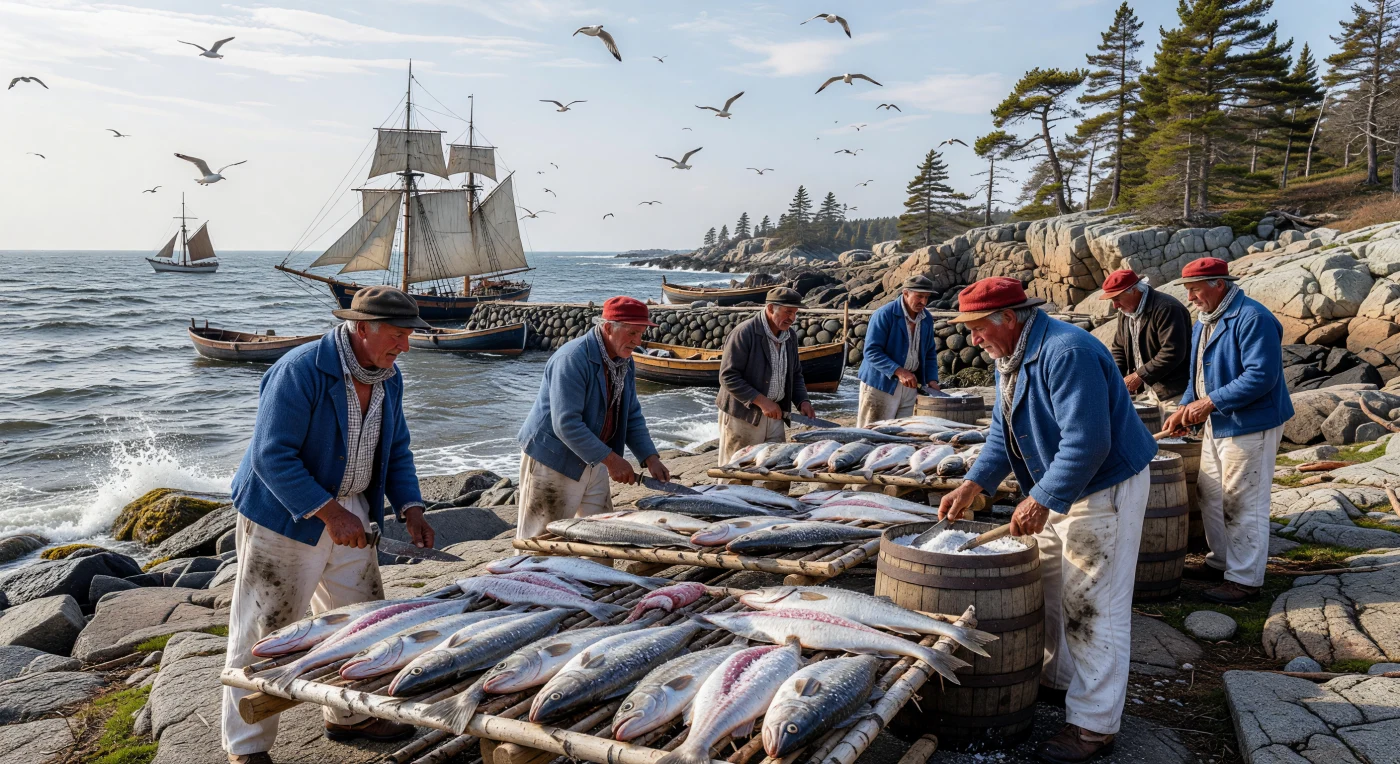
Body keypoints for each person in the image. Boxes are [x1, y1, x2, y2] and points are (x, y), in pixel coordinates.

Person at [938, 277, 1156, 764]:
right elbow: (1002, 431)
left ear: (1009, 319)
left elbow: (1088, 442)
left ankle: (1095, 726)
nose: (972, 340)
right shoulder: (1010, 357)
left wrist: (1041, 498)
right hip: (1065, 484)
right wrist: (975, 483)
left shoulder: (1065, 352)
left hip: (1104, 487)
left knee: (1093, 606)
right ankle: (1060, 684)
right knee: (1054, 590)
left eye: (976, 329)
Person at [222, 286, 437, 764]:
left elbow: (396, 448)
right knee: (265, 628)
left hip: (351, 508)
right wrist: (328, 512)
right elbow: (270, 455)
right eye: (398, 335)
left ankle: (349, 715)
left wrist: (411, 507)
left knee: (360, 619)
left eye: (408, 336)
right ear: (362, 328)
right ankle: (246, 746)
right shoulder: (300, 370)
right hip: (284, 513)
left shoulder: (388, 377)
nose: (405, 346)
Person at [1163, 258, 1292, 605]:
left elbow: (1260, 377)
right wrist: (1186, 406)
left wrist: (1208, 403)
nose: (1190, 297)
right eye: (1187, 290)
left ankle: (1245, 580)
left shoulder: (1253, 317)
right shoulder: (1205, 321)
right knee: (1211, 493)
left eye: (1194, 289)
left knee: (1243, 501)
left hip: (1252, 423)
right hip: (1220, 421)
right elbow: (1197, 375)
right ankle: (1221, 561)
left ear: (1219, 284)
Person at [516, 296, 671, 539]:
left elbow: (630, 414)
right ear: (608, 327)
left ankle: (597, 578)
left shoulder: (625, 362)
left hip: (594, 455)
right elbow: (566, 424)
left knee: (602, 533)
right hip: (554, 458)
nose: (637, 341)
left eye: (641, 334)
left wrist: (650, 458)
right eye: (632, 333)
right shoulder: (572, 359)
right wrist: (612, 460)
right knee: (543, 539)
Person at [715, 287, 816, 489]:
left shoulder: (790, 336)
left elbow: (795, 373)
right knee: (738, 471)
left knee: (778, 469)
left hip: (776, 413)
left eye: (795, 313)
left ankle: (775, 510)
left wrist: (802, 400)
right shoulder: (745, 332)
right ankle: (732, 513)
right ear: (771, 308)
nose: (792, 318)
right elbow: (728, 376)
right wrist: (761, 401)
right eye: (788, 312)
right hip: (743, 414)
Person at [856, 275, 940, 427]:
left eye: (927, 297)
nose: (924, 302)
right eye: (919, 296)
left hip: (910, 385)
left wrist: (932, 380)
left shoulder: (926, 318)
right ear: (905, 293)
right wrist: (899, 371)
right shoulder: (884, 314)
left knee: (901, 432)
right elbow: (871, 351)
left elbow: (929, 353)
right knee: (872, 432)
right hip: (881, 384)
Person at [1101, 269, 1192, 407]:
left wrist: (1139, 376)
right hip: (1146, 392)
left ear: (1134, 291)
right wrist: (1116, 377)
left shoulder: (1167, 308)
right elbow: (1119, 348)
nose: (1115, 306)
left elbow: (1172, 352)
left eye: (1117, 299)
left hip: (1173, 391)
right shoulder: (1125, 313)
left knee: (1175, 427)